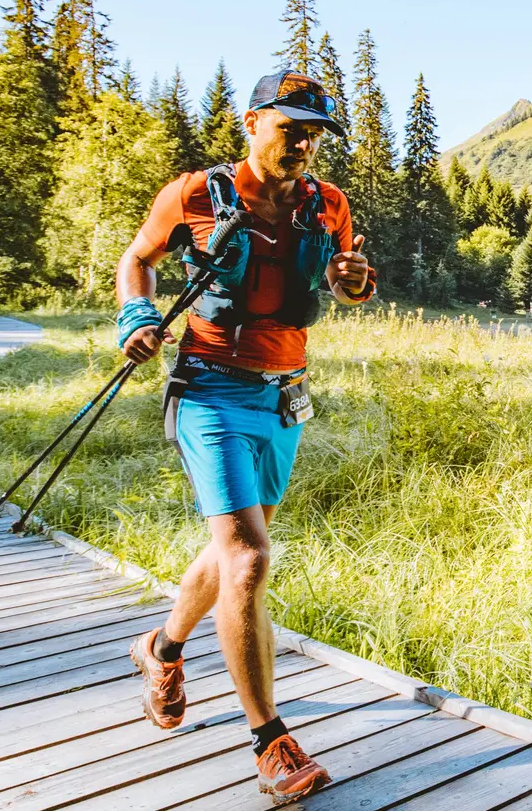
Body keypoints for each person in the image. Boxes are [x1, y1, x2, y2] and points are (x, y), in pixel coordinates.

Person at [116, 71, 374, 803]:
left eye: (315, 133)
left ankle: (161, 649)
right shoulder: (196, 194)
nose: (304, 144)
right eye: (291, 127)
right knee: (252, 560)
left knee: (234, 551)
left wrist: (354, 279)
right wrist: (139, 321)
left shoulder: (328, 205)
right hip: (210, 389)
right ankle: (271, 742)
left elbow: (343, 285)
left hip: (285, 394)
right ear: (251, 122)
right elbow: (139, 258)